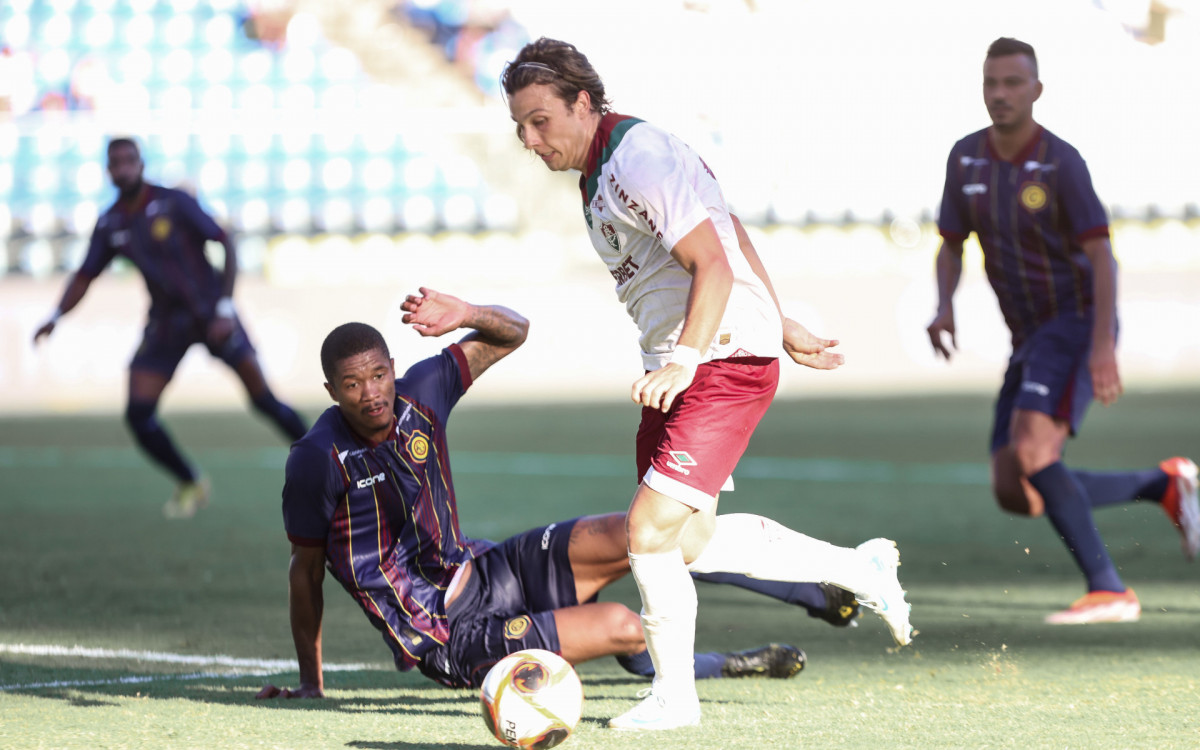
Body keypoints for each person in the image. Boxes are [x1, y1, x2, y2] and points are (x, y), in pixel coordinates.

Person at [501, 38, 914, 731]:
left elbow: (714, 264)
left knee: (648, 531)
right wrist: (778, 320)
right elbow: (729, 232)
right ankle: (857, 568)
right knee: (686, 544)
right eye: (519, 126)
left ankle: (674, 698)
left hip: (714, 360)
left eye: (540, 120)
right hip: (688, 358)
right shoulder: (599, 173)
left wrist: (697, 354)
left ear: (582, 101)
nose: (529, 139)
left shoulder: (639, 157)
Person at [257, 288, 877, 702]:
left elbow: (513, 332)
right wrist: (311, 685)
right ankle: (732, 663)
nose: (370, 393)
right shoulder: (315, 460)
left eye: (378, 374)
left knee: (650, 532)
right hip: (450, 634)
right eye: (351, 384)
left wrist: (466, 311)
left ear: (394, 366)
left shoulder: (422, 389)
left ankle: (821, 594)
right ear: (330, 390)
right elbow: (304, 572)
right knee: (626, 627)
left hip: (486, 568)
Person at [928, 37, 1199, 625]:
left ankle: (1110, 589)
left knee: (1032, 449)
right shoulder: (965, 158)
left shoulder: (1060, 162)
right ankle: (1162, 485)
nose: (999, 94)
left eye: (1012, 83)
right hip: (1029, 335)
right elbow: (950, 245)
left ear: (1036, 90)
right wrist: (943, 304)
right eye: (990, 83)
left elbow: (1103, 257)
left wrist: (1102, 345)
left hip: (1075, 322)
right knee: (1015, 489)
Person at [33, 137, 308, 518]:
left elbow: (224, 241)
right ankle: (191, 481)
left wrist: (225, 306)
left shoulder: (174, 203)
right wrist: (55, 315)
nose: (124, 168)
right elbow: (84, 276)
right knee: (139, 414)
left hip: (211, 314)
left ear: (141, 164)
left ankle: (328, 462)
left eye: (130, 160)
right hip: (166, 323)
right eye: (117, 163)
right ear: (109, 171)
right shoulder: (111, 221)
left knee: (264, 400)